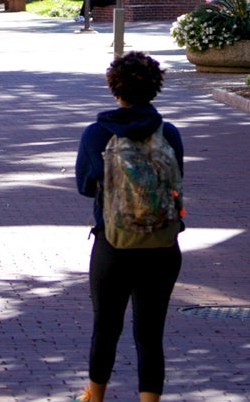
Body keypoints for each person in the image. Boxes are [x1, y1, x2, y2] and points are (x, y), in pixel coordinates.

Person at [74, 52, 184, 402]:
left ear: (114, 87)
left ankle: (95, 397)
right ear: (155, 88)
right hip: (163, 246)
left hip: (113, 244)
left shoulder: (96, 133)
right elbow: (177, 180)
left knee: (105, 328)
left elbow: (85, 186)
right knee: (150, 335)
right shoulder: (169, 133)